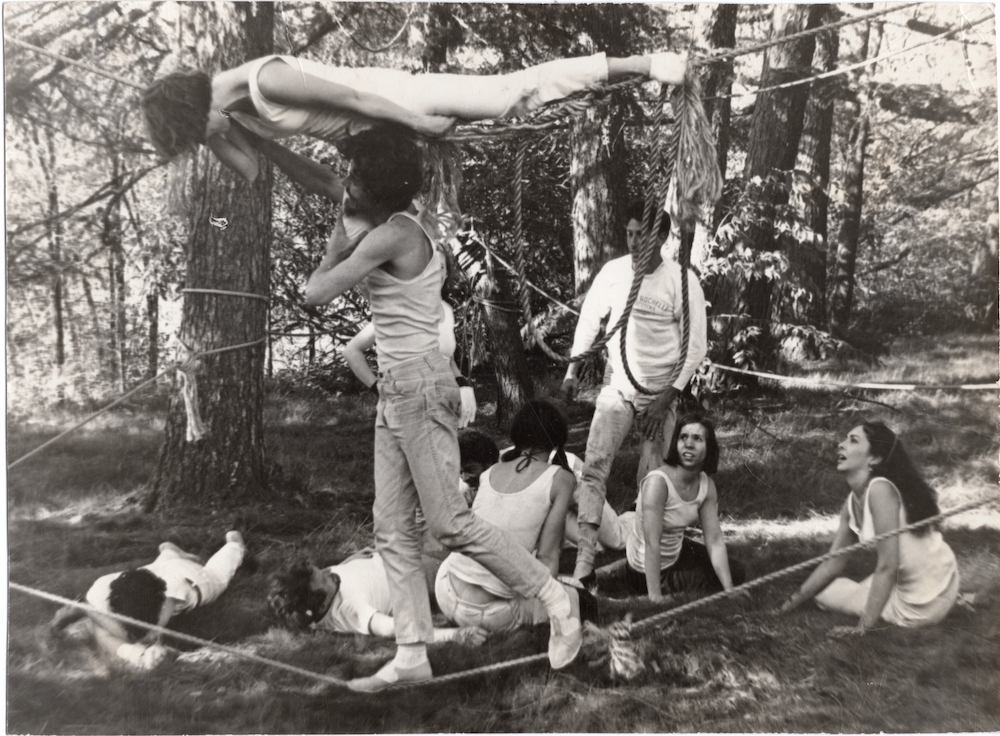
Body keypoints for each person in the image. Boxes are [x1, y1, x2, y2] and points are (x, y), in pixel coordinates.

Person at [301, 126, 582, 692]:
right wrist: (263, 145)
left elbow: (315, 292)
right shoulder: (389, 223)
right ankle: (411, 653)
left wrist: (337, 231)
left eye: (353, 176)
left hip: (420, 388)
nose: (344, 183)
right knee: (392, 529)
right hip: (396, 391)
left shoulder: (394, 235)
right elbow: (322, 181)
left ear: (375, 186)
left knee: (451, 523)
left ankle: (556, 598)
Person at [140, 52, 689, 182]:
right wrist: (218, 136)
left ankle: (651, 63)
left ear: (199, 107)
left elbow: (354, 102)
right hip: (372, 144)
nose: (203, 143)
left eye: (195, 134)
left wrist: (421, 125)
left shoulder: (265, 80)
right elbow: (253, 172)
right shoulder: (227, 114)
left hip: (398, 104)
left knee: (509, 95)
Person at [560, 200, 708, 581]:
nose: (631, 240)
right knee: (594, 468)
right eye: (628, 232)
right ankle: (585, 563)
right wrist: (572, 370)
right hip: (620, 386)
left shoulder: (682, 280)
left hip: (663, 392)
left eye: (640, 234)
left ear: (660, 236)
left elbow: (696, 348)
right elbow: (590, 320)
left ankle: (646, 561)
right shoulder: (613, 273)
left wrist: (666, 399)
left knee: (655, 479)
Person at [780, 422, 959, 636]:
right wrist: (788, 605)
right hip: (944, 581)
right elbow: (832, 563)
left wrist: (862, 628)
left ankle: (884, 608)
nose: (841, 445)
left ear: (874, 458)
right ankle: (960, 599)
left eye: (853, 440)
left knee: (825, 595)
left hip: (921, 603)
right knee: (832, 589)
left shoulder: (880, 490)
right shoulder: (851, 502)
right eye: (845, 438)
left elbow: (887, 566)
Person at [434, 400, 578, 633]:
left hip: (446, 591)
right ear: (556, 438)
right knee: (573, 597)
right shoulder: (561, 480)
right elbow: (548, 557)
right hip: (491, 613)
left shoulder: (491, 471)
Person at [48, 531, 246, 668]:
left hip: (192, 579)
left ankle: (235, 544)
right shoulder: (101, 588)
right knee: (159, 566)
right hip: (152, 573)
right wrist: (84, 609)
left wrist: (88, 611)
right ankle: (169, 552)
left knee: (219, 573)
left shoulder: (171, 593)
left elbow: (149, 635)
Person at [623, 415, 743, 599]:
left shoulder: (706, 485)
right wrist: (655, 597)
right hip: (645, 570)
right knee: (708, 583)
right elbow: (652, 543)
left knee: (735, 572)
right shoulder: (658, 483)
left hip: (675, 551)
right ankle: (649, 590)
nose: (688, 444)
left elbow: (714, 539)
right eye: (683, 437)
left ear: (709, 448)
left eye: (697, 438)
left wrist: (730, 590)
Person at [266, 551, 487, 647]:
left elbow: (333, 571)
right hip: (419, 577)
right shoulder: (352, 611)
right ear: (319, 601)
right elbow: (398, 629)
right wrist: (455, 635)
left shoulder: (320, 591)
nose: (324, 571)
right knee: (479, 562)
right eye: (320, 576)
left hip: (398, 556)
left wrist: (355, 560)